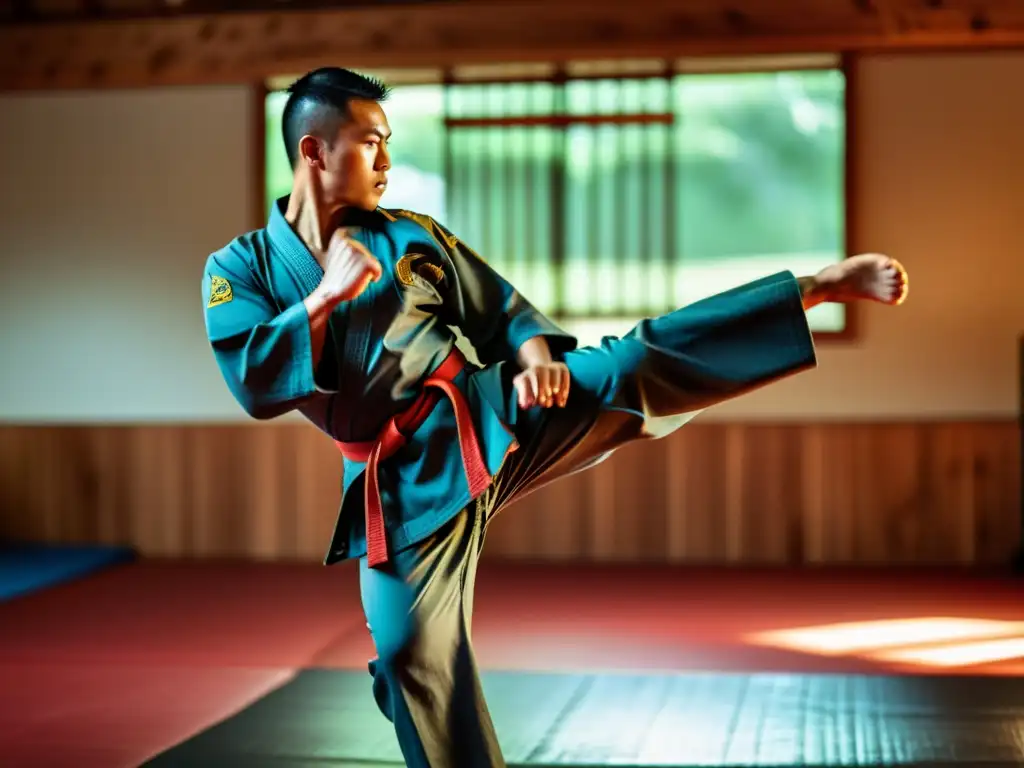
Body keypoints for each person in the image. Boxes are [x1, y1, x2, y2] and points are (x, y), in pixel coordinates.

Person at [201, 67, 908, 766]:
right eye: (369, 142)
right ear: (314, 152)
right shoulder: (239, 268)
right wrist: (323, 300)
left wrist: (537, 356)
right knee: (412, 659)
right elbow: (256, 381)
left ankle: (812, 290)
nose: (386, 160)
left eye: (389, 142)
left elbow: (503, 311)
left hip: (489, 415)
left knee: (629, 363)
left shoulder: (410, 236)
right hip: (399, 484)